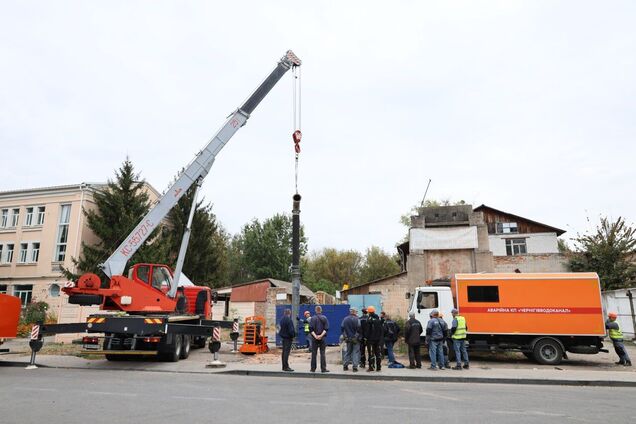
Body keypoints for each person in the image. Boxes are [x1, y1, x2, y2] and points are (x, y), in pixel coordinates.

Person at [309, 305, 330, 373]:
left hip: (314, 338)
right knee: (322, 353)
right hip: (322, 338)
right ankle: (323, 369)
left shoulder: (312, 318)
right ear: (321, 310)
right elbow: (326, 329)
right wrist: (321, 335)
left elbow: (311, 329)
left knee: (314, 353)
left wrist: (315, 336)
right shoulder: (324, 318)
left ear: (315, 310)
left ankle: (313, 369)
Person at [341, 307, 361, 372]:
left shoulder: (345, 319)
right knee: (355, 352)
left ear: (350, 312)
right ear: (355, 312)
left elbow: (342, 328)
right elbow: (359, 329)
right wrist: (355, 337)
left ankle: (345, 366)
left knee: (348, 352)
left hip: (348, 339)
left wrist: (346, 337)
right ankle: (355, 367)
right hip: (355, 339)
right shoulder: (357, 319)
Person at [365, 305, 384, 372]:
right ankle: (378, 367)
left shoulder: (369, 320)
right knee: (377, 353)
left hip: (371, 339)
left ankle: (371, 367)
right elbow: (381, 330)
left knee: (371, 353)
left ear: (369, 312)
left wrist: (366, 338)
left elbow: (367, 330)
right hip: (378, 339)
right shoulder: (378, 319)